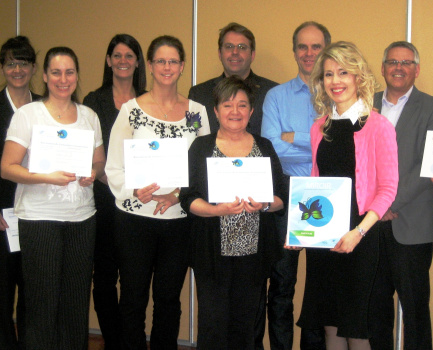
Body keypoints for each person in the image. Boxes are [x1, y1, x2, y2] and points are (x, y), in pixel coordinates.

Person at [105, 35, 209, 349]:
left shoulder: (195, 112)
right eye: (160, 61)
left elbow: (204, 164)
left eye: (173, 61)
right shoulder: (132, 110)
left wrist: (178, 195)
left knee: (168, 300)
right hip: (135, 219)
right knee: (134, 298)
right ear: (149, 66)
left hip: (178, 220)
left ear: (181, 67)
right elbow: (114, 165)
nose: (167, 67)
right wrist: (134, 190)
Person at [1, 46, 105, 350]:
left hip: (82, 220)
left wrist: (91, 173)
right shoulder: (28, 114)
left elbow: (99, 164)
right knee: (41, 304)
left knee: (75, 303)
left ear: (76, 76)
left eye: (69, 72)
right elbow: (7, 168)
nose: (63, 79)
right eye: (56, 72)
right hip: (39, 220)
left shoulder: (89, 116)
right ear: (44, 76)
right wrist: (48, 176)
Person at [297, 41, 398, 350]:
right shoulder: (319, 127)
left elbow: (388, 189)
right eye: (328, 74)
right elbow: (316, 183)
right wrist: (301, 230)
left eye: (343, 72)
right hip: (325, 236)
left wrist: (358, 232)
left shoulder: (378, 126)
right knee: (330, 323)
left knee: (357, 327)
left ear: (358, 77)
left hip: (361, 236)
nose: (335, 81)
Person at [180, 75, 287, 350]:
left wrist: (264, 204)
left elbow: (282, 198)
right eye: (227, 105)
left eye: (242, 105)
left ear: (251, 111)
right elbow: (187, 198)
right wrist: (217, 210)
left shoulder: (264, 147)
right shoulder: (201, 147)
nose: (235, 112)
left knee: (245, 329)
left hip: (253, 255)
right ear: (216, 111)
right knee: (213, 327)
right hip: (212, 254)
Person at [369, 41, 433, 350]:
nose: (398, 67)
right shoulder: (365, 104)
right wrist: (373, 209)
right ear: (382, 68)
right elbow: (356, 160)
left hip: (411, 224)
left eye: (405, 62)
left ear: (417, 69)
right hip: (370, 226)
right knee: (374, 310)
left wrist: (385, 204)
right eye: (392, 61)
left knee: (415, 311)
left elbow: (428, 165)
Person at [261, 21, 331, 350]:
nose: (309, 53)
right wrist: (319, 140)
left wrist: (298, 137)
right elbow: (274, 148)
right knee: (282, 287)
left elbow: (338, 148)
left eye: (316, 46)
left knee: (320, 288)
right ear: (294, 52)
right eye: (302, 46)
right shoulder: (276, 97)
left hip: (325, 193)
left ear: (326, 51)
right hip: (285, 194)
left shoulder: (338, 96)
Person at [83, 33, 146, 350]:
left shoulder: (149, 101)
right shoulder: (94, 101)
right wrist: (114, 180)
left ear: (137, 62)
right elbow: (88, 155)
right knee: (105, 277)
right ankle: (113, 340)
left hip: (142, 204)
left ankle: (131, 339)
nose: (123, 61)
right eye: (117, 55)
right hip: (106, 202)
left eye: (129, 55)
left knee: (135, 279)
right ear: (108, 61)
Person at [0, 35, 39, 350]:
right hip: (2, 216)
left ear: (33, 67)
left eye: (23, 63)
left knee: (33, 290)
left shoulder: (46, 108)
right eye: (10, 63)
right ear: (2, 68)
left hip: (39, 213)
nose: (17, 70)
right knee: (1, 293)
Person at [188, 22, 277, 134]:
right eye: (229, 47)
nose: (235, 52)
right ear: (220, 54)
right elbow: (190, 137)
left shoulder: (273, 93)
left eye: (242, 47)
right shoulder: (198, 94)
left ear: (252, 55)